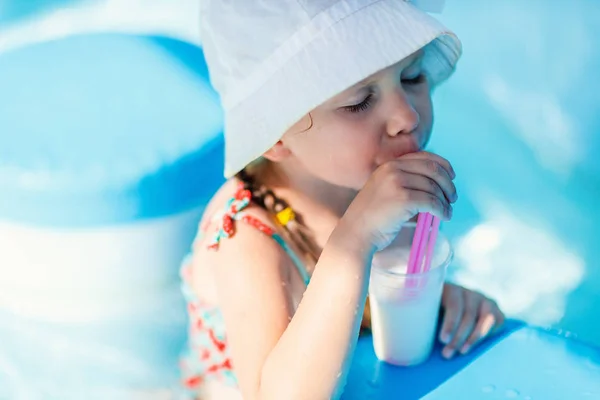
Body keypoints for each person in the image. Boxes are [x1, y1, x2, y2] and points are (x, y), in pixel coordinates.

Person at [180, 1, 505, 398]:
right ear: (276, 136)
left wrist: (443, 304)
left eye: (413, 75)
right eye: (359, 102)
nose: (406, 116)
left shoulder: (384, 185)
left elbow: (372, 300)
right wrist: (353, 240)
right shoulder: (247, 238)